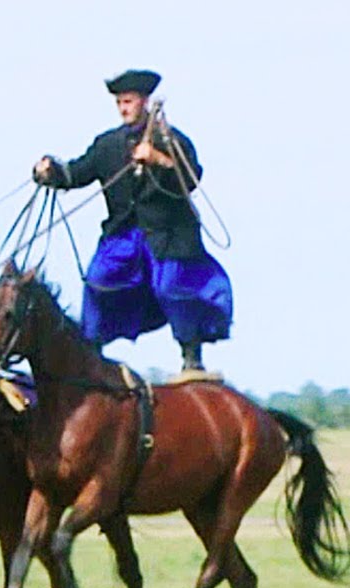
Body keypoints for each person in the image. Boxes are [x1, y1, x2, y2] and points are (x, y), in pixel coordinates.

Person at [32, 69, 231, 379]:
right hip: (123, 237)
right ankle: (91, 352)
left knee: (171, 286)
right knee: (98, 280)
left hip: (168, 236)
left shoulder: (172, 140)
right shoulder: (107, 145)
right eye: (119, 103)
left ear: (144, 101)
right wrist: (49, 172)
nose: (123, 108)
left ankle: (192, 357)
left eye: (128, 101)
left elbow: (191, 177)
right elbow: (76, 173)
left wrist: (158, 158)